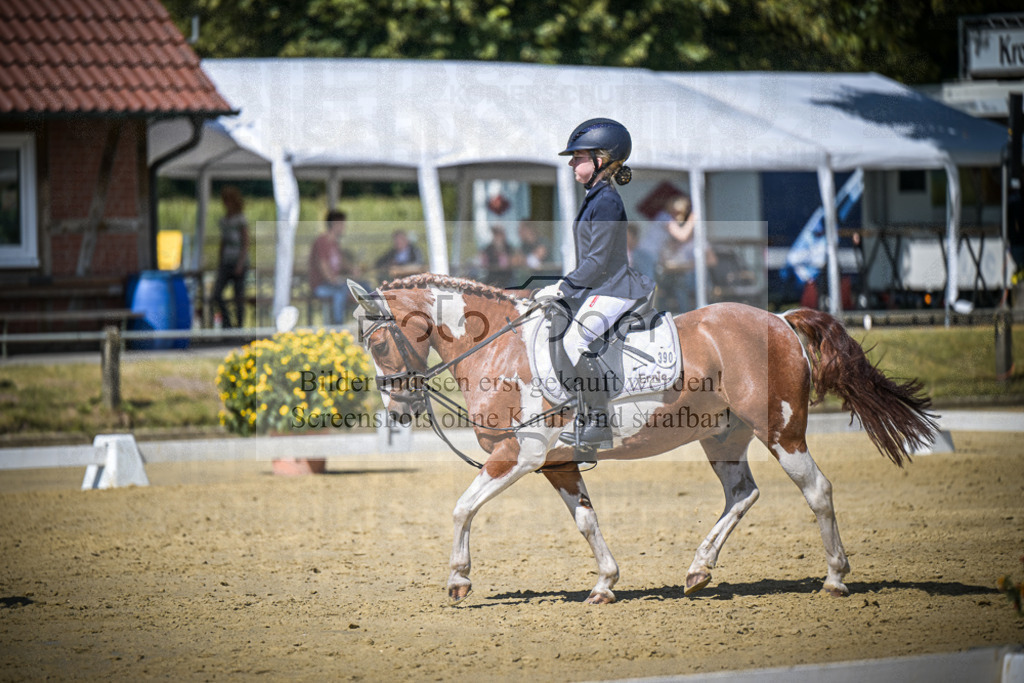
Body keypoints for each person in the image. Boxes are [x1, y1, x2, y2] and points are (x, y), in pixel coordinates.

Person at [534, 118, 655, 449]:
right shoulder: (596, 197)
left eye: (578, 157)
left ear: (601, 158)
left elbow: (597, 261)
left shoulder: (606, 201)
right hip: (599, 287)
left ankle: (599, 421)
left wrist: (562, 286)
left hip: (615, 287)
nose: (572, 163)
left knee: (575, 341)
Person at [309, 209, 358, 324]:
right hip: (320, 286)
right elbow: (323, 265)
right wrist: (334, 280)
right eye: (342, 224)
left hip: (333, 283)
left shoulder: (334, 243)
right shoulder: (322, 241)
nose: (344, 227)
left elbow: (341, 261)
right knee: (341, 292)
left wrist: (352, 269)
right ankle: (338, 328)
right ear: (334, 224)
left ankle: (368, 322)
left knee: (362, 287)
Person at [212, 186, 250, 328]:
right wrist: (219, 261)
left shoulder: (241, 219)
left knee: (238, 296)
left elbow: (246, 242)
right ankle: (227, 324)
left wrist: (240, 263)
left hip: (239, 261)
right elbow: (223, 242)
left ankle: (239, 327)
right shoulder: (224, 220)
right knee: (217, 294)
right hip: (226, 261)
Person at [657, 194, 698, 312]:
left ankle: (683, 313)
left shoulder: (670, 225)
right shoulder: (664, 217)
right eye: (678, 212)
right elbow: (682, 236)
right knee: (662, 288)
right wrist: (693, 218)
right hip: (655, 263)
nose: (679, 216)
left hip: (685, 275)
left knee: (679, 282)